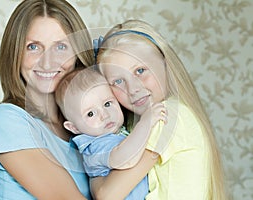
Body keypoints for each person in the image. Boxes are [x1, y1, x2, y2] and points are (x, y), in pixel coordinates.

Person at [91, 19, 227, 200]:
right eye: (118, 81)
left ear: (164, 63)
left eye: (140, 70)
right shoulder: (157, 119)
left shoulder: (166, 117)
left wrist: (94, 171)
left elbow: (107, 195)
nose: (133, 89)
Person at [0, 0, 95, 199]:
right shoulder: (6, 120)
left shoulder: (86, 125)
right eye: (33, 47)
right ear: (15, 53)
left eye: (61, 47)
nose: (48, 61)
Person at [55, 67, 167, 199]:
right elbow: (125, 160)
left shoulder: (116, 134)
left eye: (107, 104)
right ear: (74, 128)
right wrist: (146, 122)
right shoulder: (94, 147)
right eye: (90, 114)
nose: (105, 115)